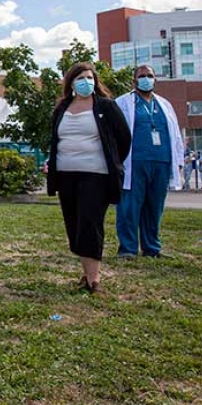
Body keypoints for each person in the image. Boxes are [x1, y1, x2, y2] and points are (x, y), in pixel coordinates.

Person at [46, 62, 131, 294]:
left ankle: (94, 280)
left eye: (90, 77)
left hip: (96, 175)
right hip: (66, 175)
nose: (87, 82)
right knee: (74, 224)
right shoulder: (62, 108)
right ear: (71, 83)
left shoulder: (106, 106)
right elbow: (56, 140)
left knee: (90, 223)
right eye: (81, 78)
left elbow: (123, 140)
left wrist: (111, 161)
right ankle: (86, 274)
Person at [114, 65, 184, 259]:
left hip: (161, 161)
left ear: (156, 79)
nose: (146, 79)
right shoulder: (123, 103)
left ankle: (152, 248)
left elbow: (176, 135)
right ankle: (128, 249)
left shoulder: (165, 105)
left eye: (150, 76)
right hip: (134, 162)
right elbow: (114, 133)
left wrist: (178, 161)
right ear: (134, 80)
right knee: (129, 207)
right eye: (142, 76)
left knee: (154, 207)